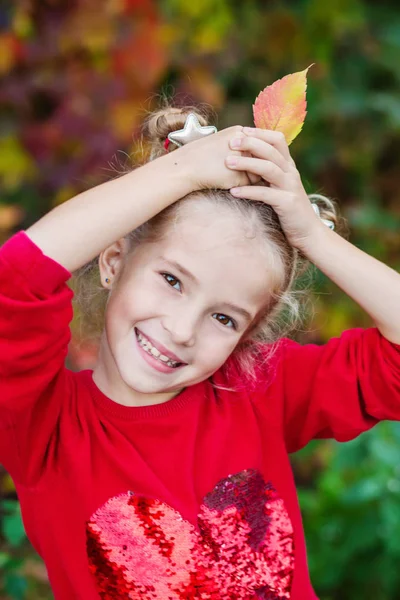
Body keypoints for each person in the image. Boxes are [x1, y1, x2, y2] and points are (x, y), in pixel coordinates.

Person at [0, 105, 399, 600]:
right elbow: (16, 275)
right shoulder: (44, 426)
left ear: (247, 334)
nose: (183, 329)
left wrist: (312, 236)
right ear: (113, 259)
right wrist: (184, 171)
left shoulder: (257, 388)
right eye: (172, 281)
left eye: (224, 318)